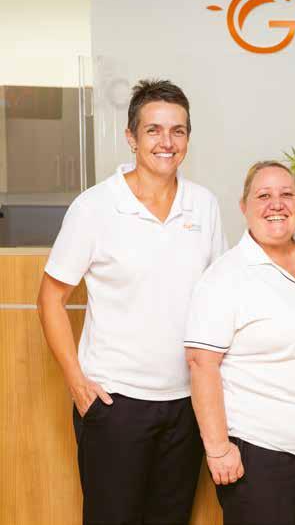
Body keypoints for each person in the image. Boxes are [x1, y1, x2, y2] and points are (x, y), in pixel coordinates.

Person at [37, 79, 226, 524]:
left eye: (178, 131)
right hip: (115, 402)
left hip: (187, 404)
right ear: (131, 137)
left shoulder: (204, 205)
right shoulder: (95, 207)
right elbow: (50, 298)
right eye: (153, 130)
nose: (167, 142)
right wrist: (77, 382)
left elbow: (218, 298)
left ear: (188, 138)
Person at [184, 161, 295, 525]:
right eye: (263, 196)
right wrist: (218, 450)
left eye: (286, 194)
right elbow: (201, 364)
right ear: (244, 206)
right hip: (263, 458)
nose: (276, 204)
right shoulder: (224, 277)